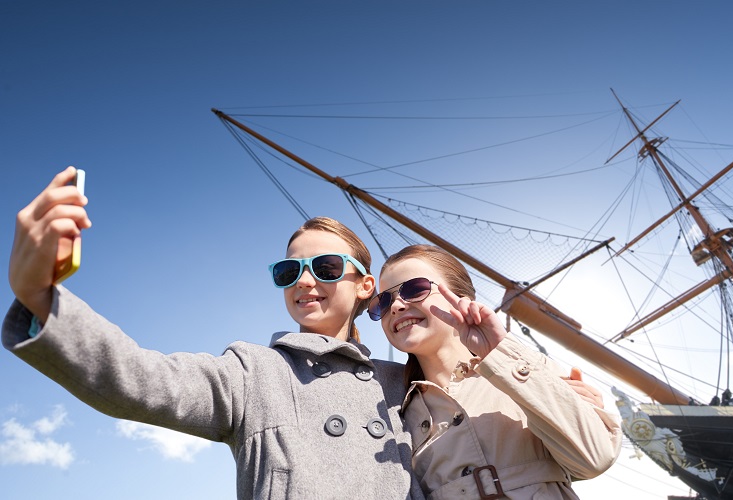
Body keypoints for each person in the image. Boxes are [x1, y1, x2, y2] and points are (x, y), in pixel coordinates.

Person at [3, 167, 423, 499]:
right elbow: (141, 379)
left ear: (365, 286)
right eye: (289, 271)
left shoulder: (403, 381)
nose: (305, 282)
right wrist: (39, 296)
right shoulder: (252, 373)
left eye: (326, 268)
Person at [368, 244, 623, 499]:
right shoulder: (394, 414)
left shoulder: (525, 369)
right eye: (384, 300)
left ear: (460, 297)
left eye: (414, 289)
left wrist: (500, 354)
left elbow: (594, 457)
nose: (396, 306)